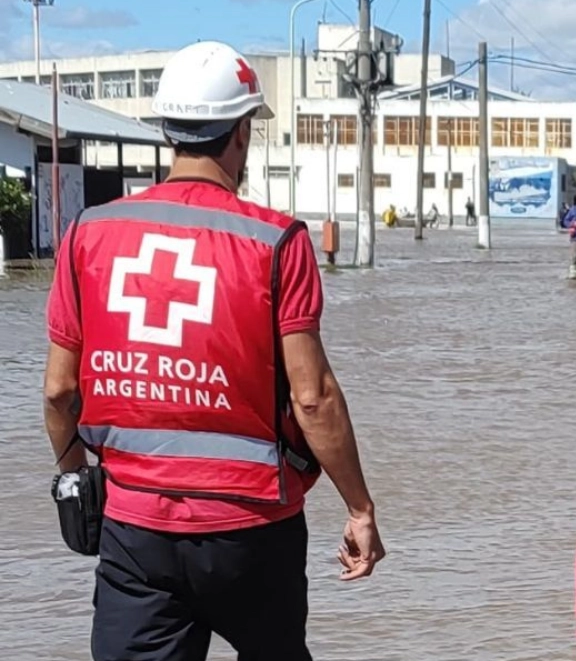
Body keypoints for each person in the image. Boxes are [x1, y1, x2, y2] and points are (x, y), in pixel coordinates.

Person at [42, 41, 385, 661]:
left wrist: (74, 478)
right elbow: (313, 398)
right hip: (254, 531)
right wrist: (359, 507)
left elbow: (59, 392)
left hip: (133, 533)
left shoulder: (87, 233)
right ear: (243, 133)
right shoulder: (276, 241)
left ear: (168, 130)